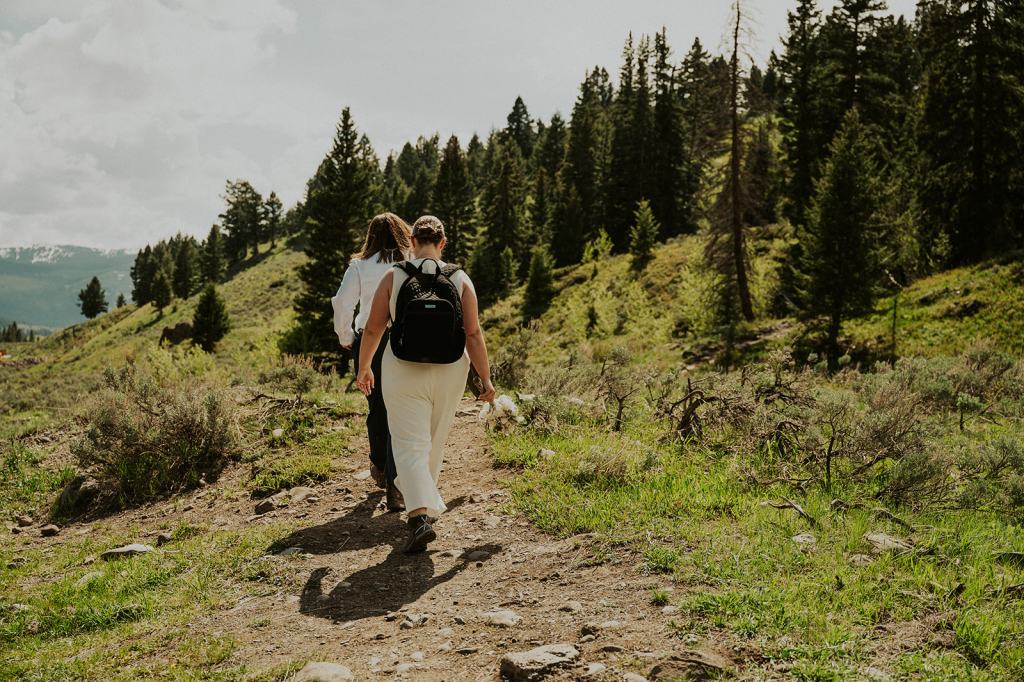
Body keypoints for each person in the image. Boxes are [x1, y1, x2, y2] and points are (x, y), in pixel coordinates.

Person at [356, 215, 496, 553]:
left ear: (412, 243)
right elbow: (474, 333)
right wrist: (486, 380)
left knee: (407, 442)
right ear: (443, 243)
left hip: (402, 367)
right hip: (451, 369)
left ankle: (418, 514)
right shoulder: (460, 278)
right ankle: (424, 510)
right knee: (434, 440)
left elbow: (374, 328)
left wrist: (364, 367)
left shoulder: (394, 276)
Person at [331, 212, 411, 511]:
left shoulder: (360, 266)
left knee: (377, 405)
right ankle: (397, 480)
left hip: (370, 340)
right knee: (403, 407)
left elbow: (342, 302)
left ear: (371, 237)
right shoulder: (411, 258)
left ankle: (379, 463)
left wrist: (345, 335)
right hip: (407, 340)